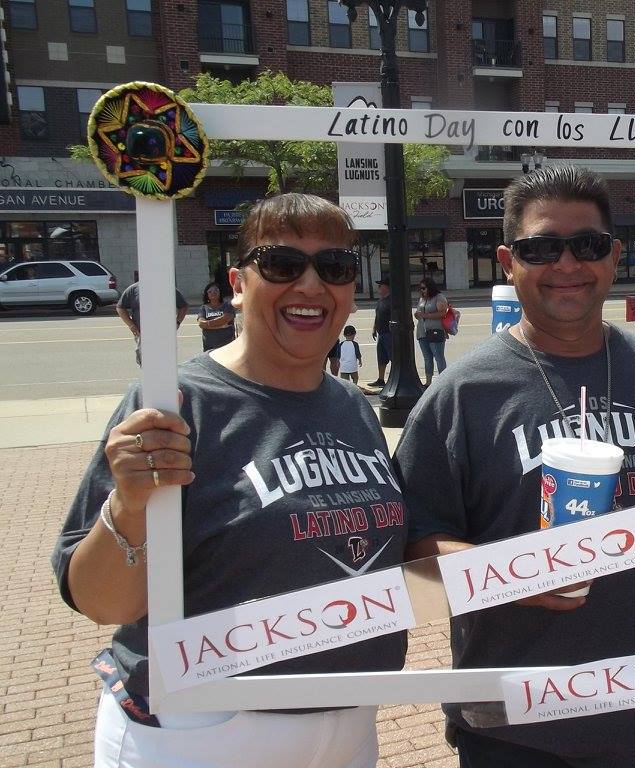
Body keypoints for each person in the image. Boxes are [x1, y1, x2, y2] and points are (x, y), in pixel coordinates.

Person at [51, 193, 410, 768]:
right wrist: (131, 502)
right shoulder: (175, 403)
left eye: (335, 267)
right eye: (282, 264)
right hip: (205, 724)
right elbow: (99, 600)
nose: (312, 286)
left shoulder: (351, 405)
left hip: (347, 721)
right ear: (238, 282)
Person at [394, 165, 635, 768]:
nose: (566, 265)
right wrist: (509, 573)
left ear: (613, 257)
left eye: (586, 245)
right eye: (541, 248)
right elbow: (412, 549)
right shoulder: (462, 393)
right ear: (509, 261)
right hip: (515, 724)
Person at [116, 281, 189, 365]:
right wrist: (131, 325)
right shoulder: (133, 289)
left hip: (164, 334)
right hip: (142, 335)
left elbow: (184, 306)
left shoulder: (167, 287)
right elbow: (120, 307)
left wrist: (177, 322)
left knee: (165, 363)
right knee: (146, 364)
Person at [413, 276, 448, 383]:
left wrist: (424, 315)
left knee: (438, 357)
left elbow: (442, 313)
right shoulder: (422, 299)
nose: (422, 290)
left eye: (424, 288)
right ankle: (428, 382)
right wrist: (418, 315)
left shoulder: (439, 297)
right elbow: (420, 313)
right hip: (422, 332)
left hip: (435, 331)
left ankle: (443, 381)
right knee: (427, 358)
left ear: (430, 287)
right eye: (420, 288)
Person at [196, 281, 236, 351]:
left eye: (216, 290)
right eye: (210, 291)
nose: (213, 292)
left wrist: (208, 325)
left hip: (228, 345)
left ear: (220, 293)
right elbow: (201, 323)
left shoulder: (227, 305)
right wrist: (221, 326)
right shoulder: (203, 308)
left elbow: (226, 318)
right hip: (209, 347)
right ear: (207, 294)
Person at [368, 276, 392, 386]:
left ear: (386, 287)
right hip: (381, 333)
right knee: (381, 357)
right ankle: (380, 379)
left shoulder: (392, 301)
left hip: (389, 333)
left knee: (392, 357)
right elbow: (377, 315)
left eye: (380, 285)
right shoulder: (381, 300)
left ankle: (393, 379)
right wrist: (374, 328)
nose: (378, 288)